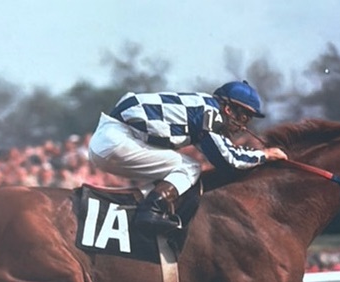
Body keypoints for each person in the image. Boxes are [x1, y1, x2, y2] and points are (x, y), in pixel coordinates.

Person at [87, 80, 287, 235]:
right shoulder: (210, 113)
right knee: (190, 167)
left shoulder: (201, 112)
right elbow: (228, 160)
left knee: (175, 169)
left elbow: (224, 150)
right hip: (115, 140)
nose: (243, 126)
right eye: (244, 117)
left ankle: (143, 208)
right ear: (228, 109)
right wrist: (265, 155)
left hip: (108, 140)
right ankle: (150, 212)